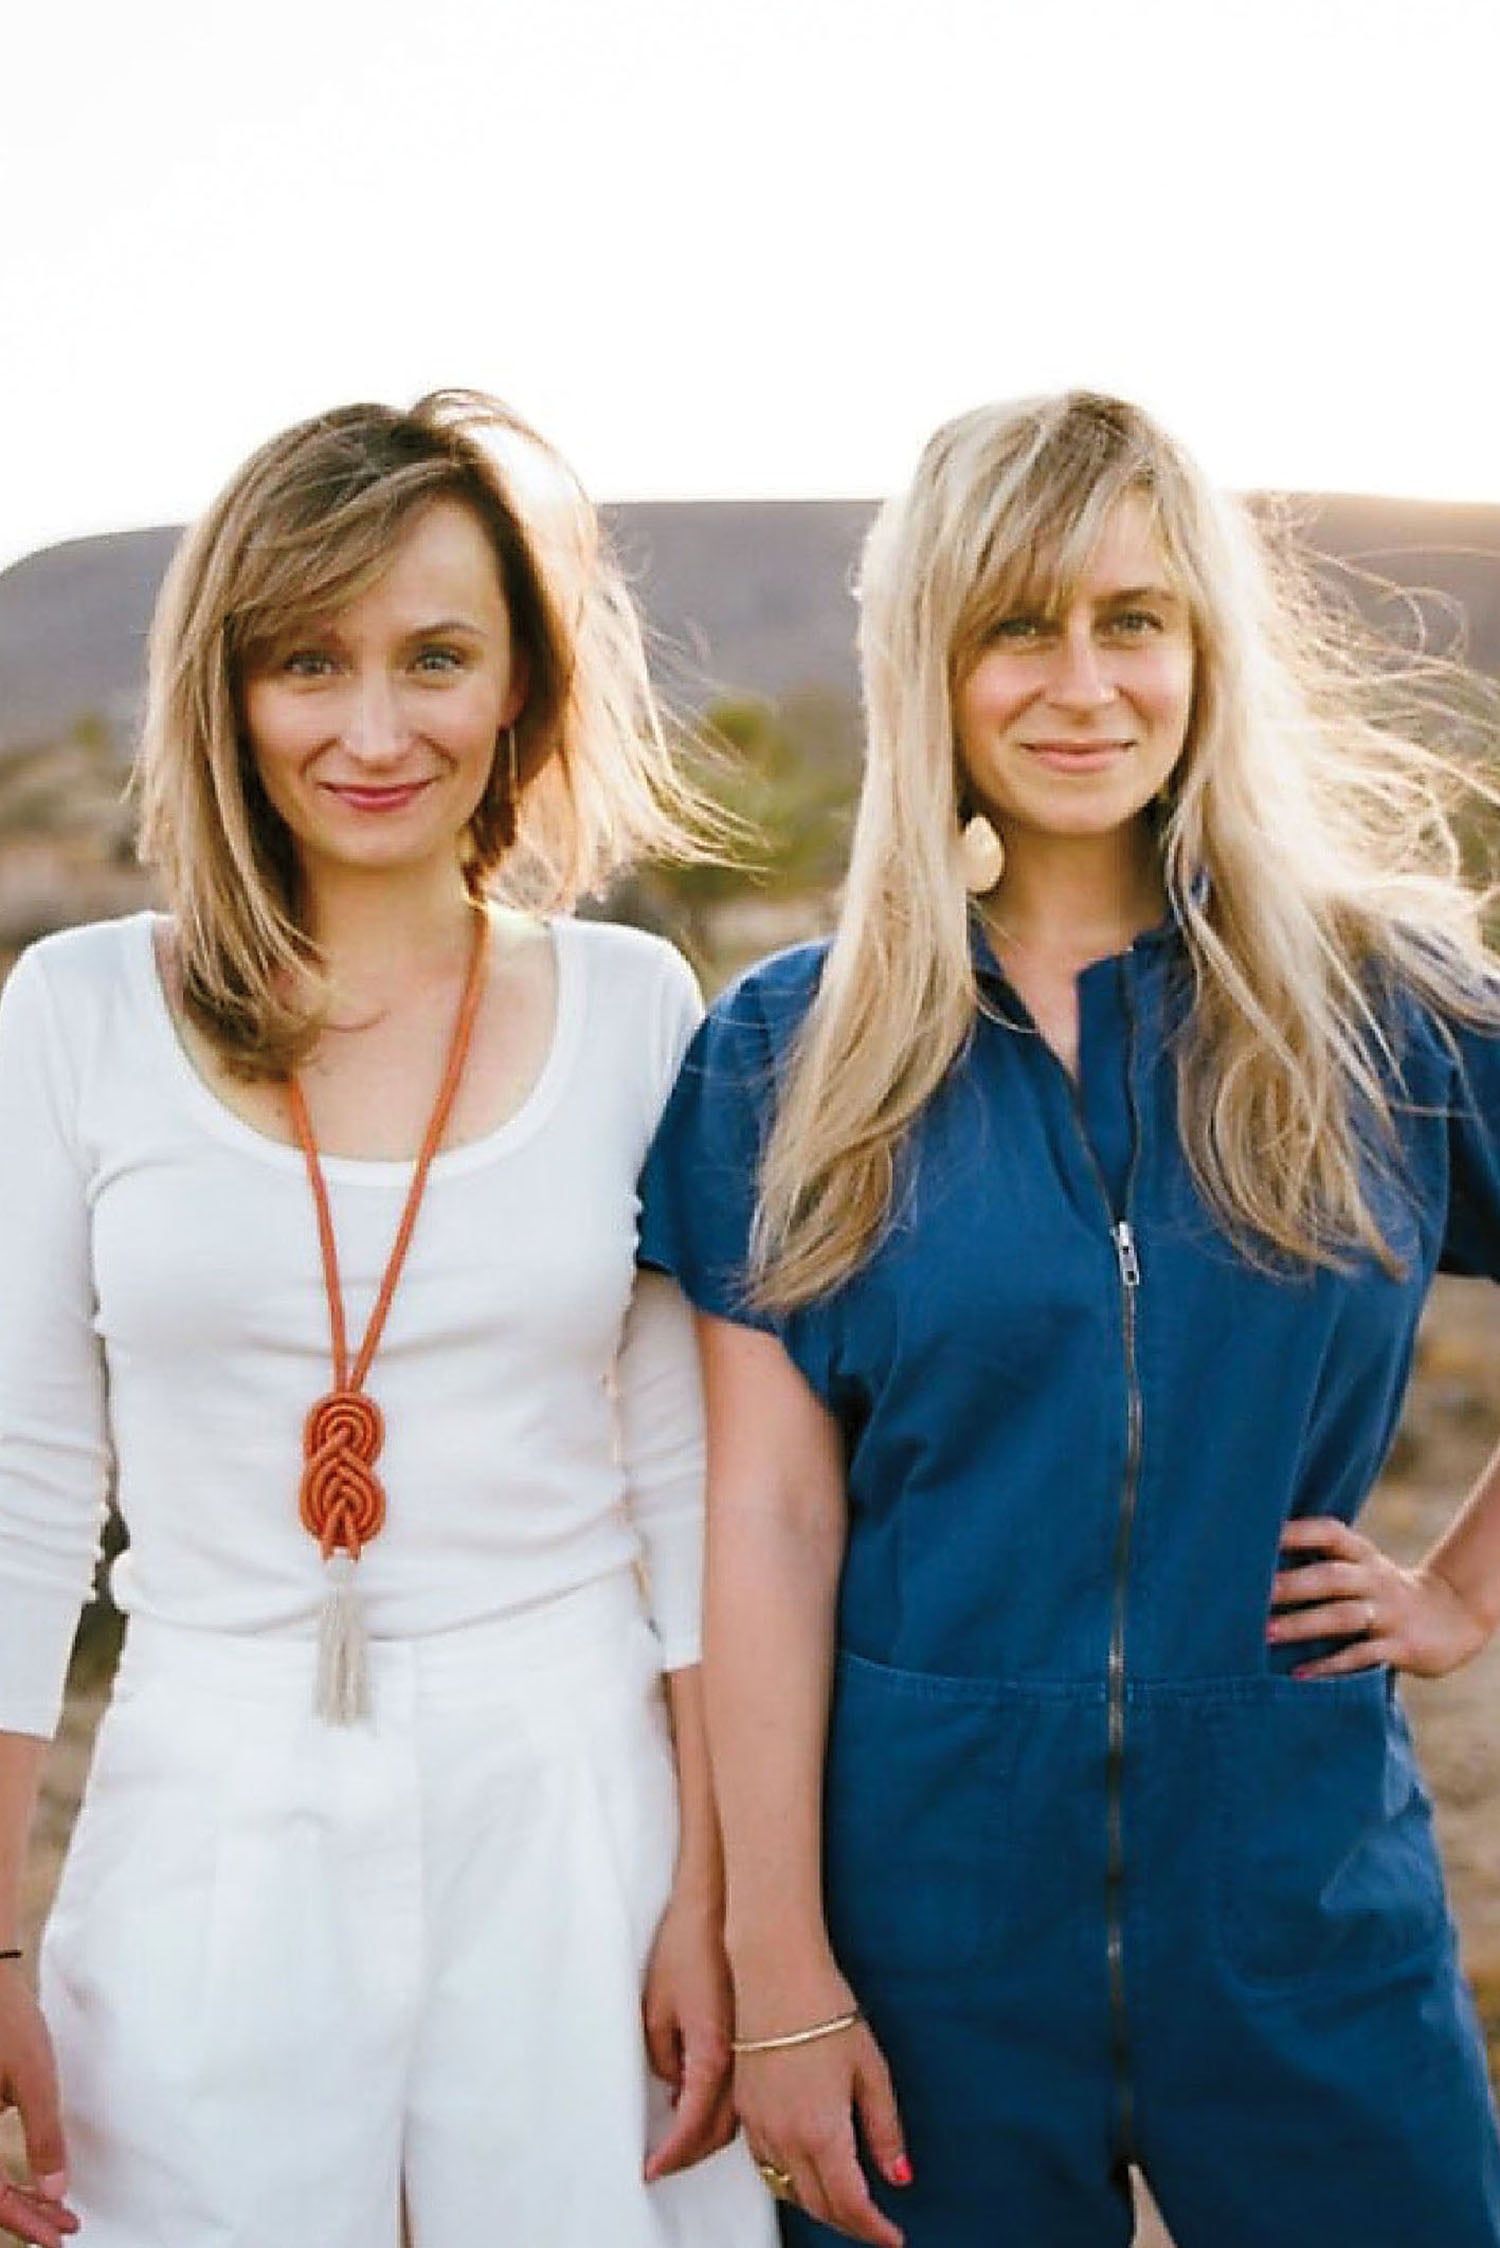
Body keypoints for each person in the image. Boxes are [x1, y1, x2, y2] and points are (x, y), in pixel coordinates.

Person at [639, 391, 1500, 2248]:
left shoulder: (1387, 1004)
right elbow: (774, 1527)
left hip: (1299, 1915)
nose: (1081, 683)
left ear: (1205, 650)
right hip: (925, 1933)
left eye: (1134, 621)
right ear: (926, 670)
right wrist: (781, 1963)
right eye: (1016, 627)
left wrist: (1466, 1591)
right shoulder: (791, 1050)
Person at [0, 391, 778, 2248]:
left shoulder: (633, 1002)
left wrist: (714, 1897)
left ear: (520, 683)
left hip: (575, 1783)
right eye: (306, 661)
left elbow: (687, 1486)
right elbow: (22, 1488)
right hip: (209, 1790)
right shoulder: (77, 1005)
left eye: (437, 657)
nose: (372, 728)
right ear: (228, 685)